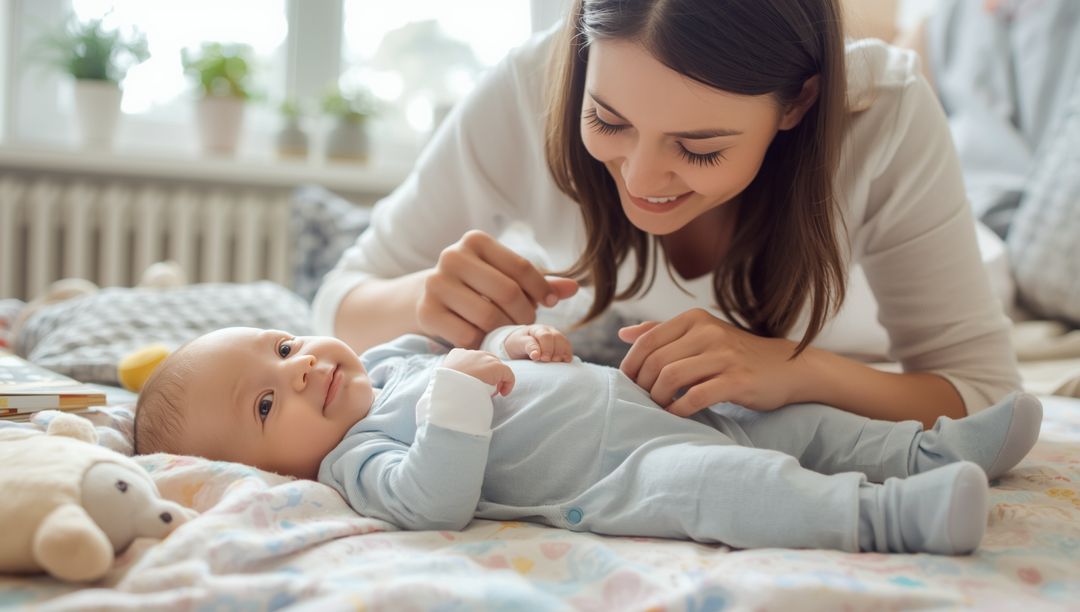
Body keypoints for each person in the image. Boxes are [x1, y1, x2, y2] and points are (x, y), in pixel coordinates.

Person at [313, 0, 1021, 429]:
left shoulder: (883, 113)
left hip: (913, 294)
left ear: (798, 104)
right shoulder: (529, 85)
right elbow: (338, 300)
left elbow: (983, 395)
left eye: (698, 148)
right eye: (607, 121)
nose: (644, 178)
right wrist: (424, 300)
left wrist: (796, 370)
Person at [132, 324, 1043, 555]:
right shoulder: (353, 463)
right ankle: (891, 516)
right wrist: (460, 392)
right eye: (264, 407)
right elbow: (436, 501)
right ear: (264, 468)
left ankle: (929, 451)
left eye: (285, 347)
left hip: (656, 400)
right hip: (623, 473)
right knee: (729, 484)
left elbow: (484, 358)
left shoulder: (392, 358)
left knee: (793, 419)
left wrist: (518, 348)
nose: (298, 370)